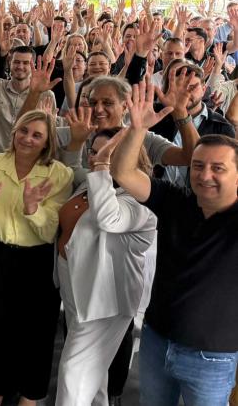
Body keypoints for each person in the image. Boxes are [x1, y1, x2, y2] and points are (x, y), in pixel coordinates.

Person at [111, 82, 238, 406]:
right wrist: (137, 129)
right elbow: (123, 172)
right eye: (198, 165)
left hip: (213, 357)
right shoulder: (175, 201)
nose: (205, 174)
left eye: (218, 168)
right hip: (157, 342)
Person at [0, 110, 73, 406]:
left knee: (38, 328)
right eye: (23, 131)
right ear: (13, 132)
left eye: (37, 135)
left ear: (48, 141)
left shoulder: (60, 174)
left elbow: (52, 230)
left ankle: (30, 394)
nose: (27, 138)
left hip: (37, 260)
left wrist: (33, 207)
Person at [54, 128, 157, 406]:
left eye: (109, 153)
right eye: (95, 151)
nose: (98, 158)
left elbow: (108, 218)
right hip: (76, 290)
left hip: (105, 302)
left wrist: (101, 167)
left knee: (72, 373)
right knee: (92, 372)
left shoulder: (140, 199)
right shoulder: (92, 183)